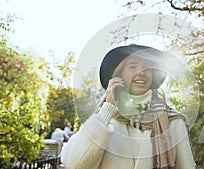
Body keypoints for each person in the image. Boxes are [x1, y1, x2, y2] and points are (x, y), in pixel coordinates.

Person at [61, 44, 195, 169]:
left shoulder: (173, 121)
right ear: (119, 75)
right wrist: (107, 108)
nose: (141, 72)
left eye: (147, 67)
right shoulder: (104, 119)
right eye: (132, 67)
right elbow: (74, 163)